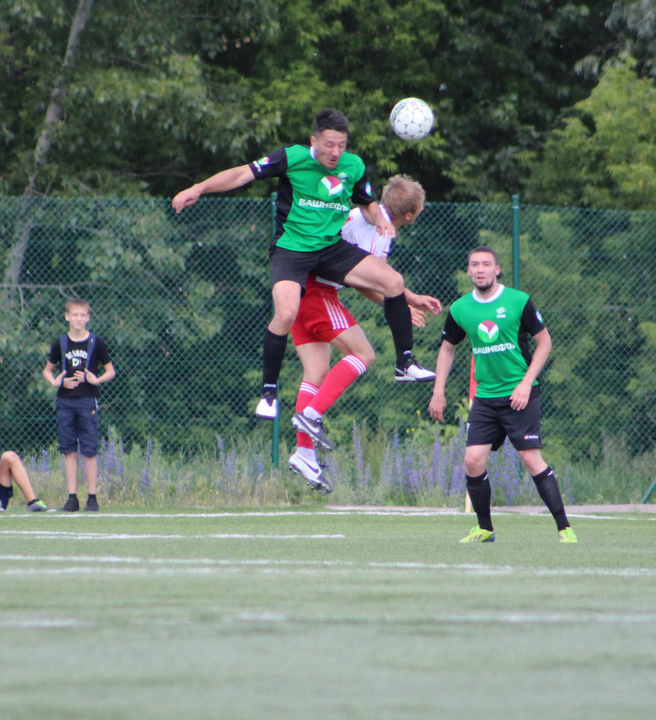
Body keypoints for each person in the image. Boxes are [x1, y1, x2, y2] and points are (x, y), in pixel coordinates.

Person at [171, 109, 440, 420]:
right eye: (329, 145)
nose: (336, 152)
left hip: (330, 249)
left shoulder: (353, 166)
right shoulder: (291, 157)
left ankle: (404, 363)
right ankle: (268, 392)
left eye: (341, 145)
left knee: (393, 281)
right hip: (292, 250)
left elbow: (367, 202)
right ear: (314, 141)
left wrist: (379, 219)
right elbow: (241, 174)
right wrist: (198, 188)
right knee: (286, 313)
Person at [287, 175, 442, 493]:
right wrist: (399, 304)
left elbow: (371, 279)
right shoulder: (375, 229)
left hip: (297, 286)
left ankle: (304, 453)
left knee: (315, 372)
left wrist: (408, 299)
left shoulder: (364, 218)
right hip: (316, 291)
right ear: (410, 214)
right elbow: (362, 281)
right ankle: (312, 415)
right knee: (363, 354)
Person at [427, 247, 577, 544]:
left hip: (520, 394)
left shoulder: (518, 301)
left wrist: (526, 384)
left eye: (486, 264)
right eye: (474, 265)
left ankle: (565, 529)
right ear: (468, 271)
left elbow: (545, 343)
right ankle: (485, 529)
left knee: (531, 459)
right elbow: (447, 348)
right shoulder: (460, 309)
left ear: (497, 269)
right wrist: (438, 391)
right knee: (473, 460)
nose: (480, 269)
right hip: (485, 397)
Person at [42, 297, 116, 512]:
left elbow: (110, 371)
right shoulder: (60, 343)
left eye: (82, 315)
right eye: (74, 315)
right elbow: (48, 371)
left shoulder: (95, 342)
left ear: (88, 318)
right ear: (67, 317)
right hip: (65, 401)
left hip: (87, 400)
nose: (78, 319)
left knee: (89, 450)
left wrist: (96, 380)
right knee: (69, 450)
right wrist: (57, 382)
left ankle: (92, 498)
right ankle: (72, 498)